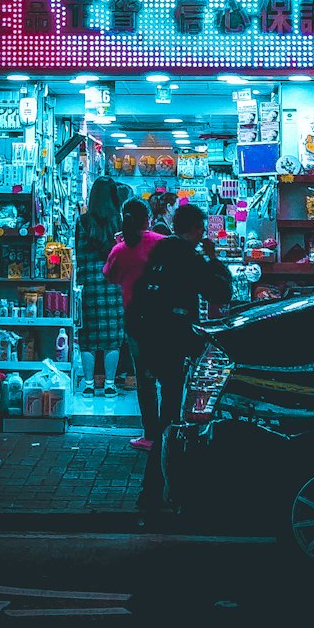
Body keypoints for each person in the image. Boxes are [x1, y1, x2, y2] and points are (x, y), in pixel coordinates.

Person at [127, 202, 233, 514]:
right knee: (172, 417)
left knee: (169, 414)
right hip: (171, 342)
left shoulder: (161, 250)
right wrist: (214, 260)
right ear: (198, 230)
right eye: (202, 230)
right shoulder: (189, 256)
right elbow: (218, 292)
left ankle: (158, 488)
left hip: (150, 339)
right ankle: (157, 490)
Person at [102, 198, 164, 451]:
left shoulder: (120, 249)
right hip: (165, 317)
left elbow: (111, 276)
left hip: (137, 320)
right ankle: (170, 432)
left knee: (145, 380)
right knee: (170, 378)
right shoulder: (161, 243)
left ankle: (151, 435)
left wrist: (120, 246)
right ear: (148, 218)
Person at [74, 175, 126, 396]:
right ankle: (110, 384)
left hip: (88, 286)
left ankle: (87, 384)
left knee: (88, 338)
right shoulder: (120, 222)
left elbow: (77, 251)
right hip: (113, 285)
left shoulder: (83, 222)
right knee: (112, 338)